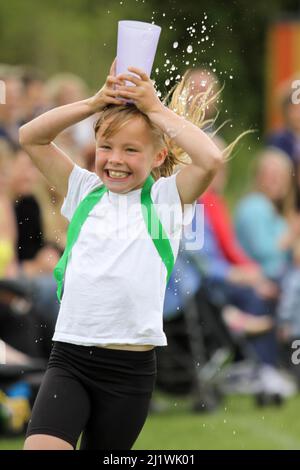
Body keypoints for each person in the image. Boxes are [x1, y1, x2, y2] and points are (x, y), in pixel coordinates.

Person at [18, 58, 224, 450]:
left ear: (158, 157)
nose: (115, 159)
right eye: (106, 147)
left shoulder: (164, 202)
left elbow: (210, 159)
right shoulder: (83, 191)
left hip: (129, 372)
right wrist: (95, 102)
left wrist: (154, 109)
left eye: (131, 150)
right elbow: (31, 136)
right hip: (70, 361)